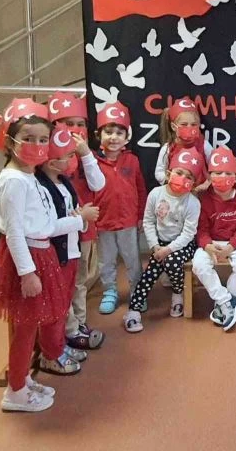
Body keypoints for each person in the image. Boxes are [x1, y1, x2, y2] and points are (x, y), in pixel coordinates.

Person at [0, 99, 93, 412]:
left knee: (28, 327)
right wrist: (27, 273)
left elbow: (46, 224)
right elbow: (16, 232)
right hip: (27, 257)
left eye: (43, 139)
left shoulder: (28, 176)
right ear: (10, 141)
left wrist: (78, 220)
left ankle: (22, 380)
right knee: (25, 329)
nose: (37, 145)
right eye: (28, 138)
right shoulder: (14, 181)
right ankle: (15, 392)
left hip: (39, 251)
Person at [35, 124, 100, 373]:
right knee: (55, 307)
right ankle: (51, 354)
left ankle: (61, 344)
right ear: (53, 163)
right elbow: (48, 226)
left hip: (71, 251)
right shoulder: (42, 187)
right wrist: (81, 217)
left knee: (64, 303)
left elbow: (68, 213)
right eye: (69, 156)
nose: (73, 160)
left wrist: (78, 216)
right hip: (55, 255)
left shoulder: (63, 182)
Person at [48, 92, 106, 350]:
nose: (74, 129)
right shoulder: (49, 159)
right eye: (68, 123)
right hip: (57, 232)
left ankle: (79, 324)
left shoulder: (85, 155)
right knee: (60, 283)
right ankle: (66, 329)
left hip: (83, 230)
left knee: (79, 280)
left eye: (80, 124)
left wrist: (85, 155)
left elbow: (98, 184)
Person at [123, 148, 203, 332]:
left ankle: (178, 293)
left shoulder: (192, 203)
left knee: (172, 261)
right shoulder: (155, 194)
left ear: (194, 183)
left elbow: (188, 234)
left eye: (189, 177)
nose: (183, 178)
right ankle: (134, 311)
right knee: (148, 275)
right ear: (168, 173)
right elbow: (148, 221)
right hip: (159, 244)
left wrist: (168, 250)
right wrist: (155, 246)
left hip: (183, 245)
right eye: (179, 173)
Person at [93, 102, 147, 315]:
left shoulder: (132, 160)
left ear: (126, 137)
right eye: (108, 132)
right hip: (103, 222)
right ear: (99, 135)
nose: (113, 137)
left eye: (119, 133)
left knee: (132, 259)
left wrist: (141, 215)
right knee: (106, 261)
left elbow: (140, 189)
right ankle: (109, 291)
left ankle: (137, 291)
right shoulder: (93, 162)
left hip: (128, 221)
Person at [192, 146, 236, 332]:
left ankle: (226, 304)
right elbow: (201, 230)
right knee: (199, 264)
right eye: (217, 173)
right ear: (210, 176)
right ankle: (225, 300)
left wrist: (231, 247)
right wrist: (207, 245)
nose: (223, 176)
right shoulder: (204, 198)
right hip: (211, 243)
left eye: (228, 173)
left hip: (235, 243)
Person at [154, 96, 212, 192]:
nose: (189, 128)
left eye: (193, 124)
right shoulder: (168, 148)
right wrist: (171, 181)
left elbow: (215, 168)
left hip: (200, 193)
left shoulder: (204, 145)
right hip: (176, 193)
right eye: (184, 124)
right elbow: (159, 171)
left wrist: (207, 184)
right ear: (173, 126)